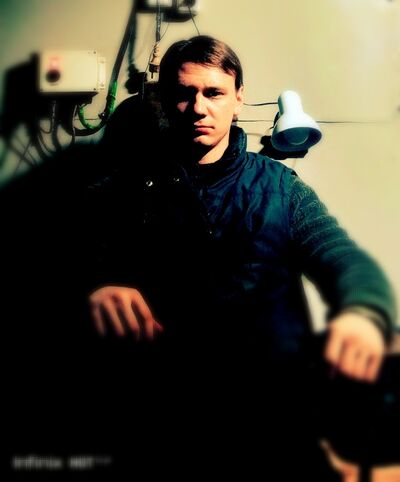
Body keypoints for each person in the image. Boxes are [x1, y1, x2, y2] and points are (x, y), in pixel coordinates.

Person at [87, 36, 396, 480]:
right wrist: (96, 283)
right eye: (184, 94)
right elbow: (55, 257)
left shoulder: (281, 187)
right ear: (165, 100)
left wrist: (363, 312)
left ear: (238, 99)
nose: (198, 108)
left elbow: (345, 259)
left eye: (213, 93)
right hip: (166, 414)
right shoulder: (123, 189)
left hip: (274, 412)